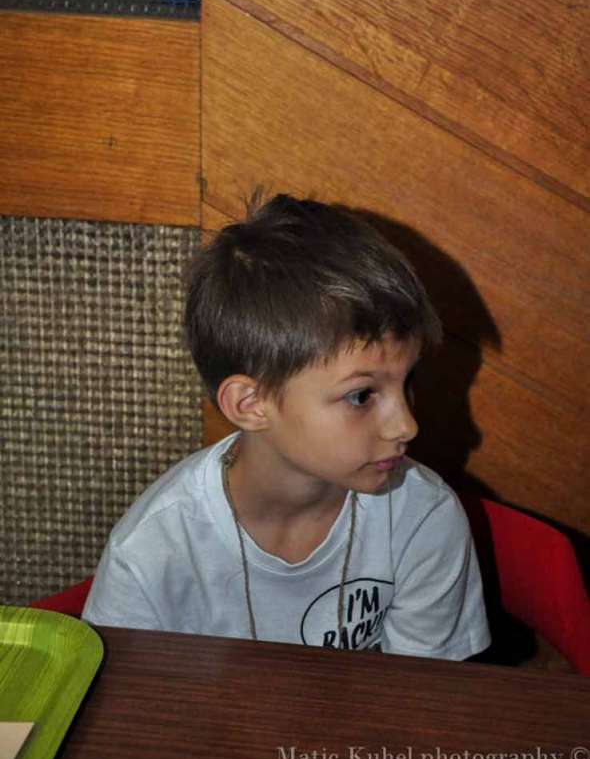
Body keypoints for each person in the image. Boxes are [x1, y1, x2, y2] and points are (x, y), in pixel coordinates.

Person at [83, 194, 490, 659]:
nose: (407, 425)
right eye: (361, 395)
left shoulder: (422, 516)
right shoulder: (152, 551)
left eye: (408, 380)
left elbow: (420, 695)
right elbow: (123, 698)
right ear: (251, 404)